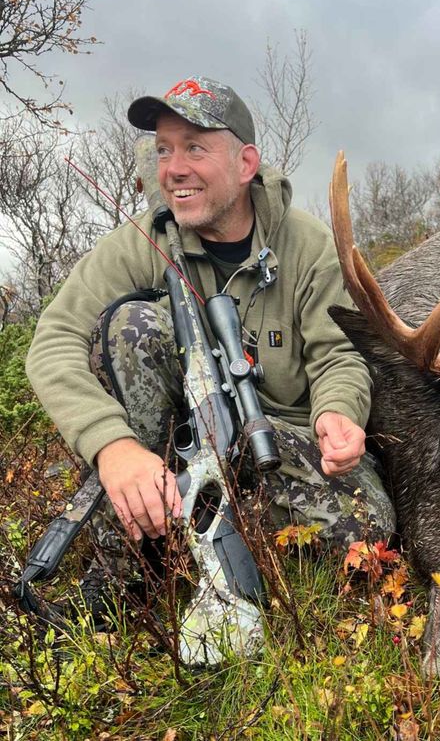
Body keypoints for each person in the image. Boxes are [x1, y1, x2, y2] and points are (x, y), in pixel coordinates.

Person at [25, 75, 396, 631]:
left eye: (195, 148)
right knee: (133, 326)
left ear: (246, 163)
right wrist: (114, 448)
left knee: (369, 530)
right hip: (178, 445)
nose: (172, 168)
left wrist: (337, 413)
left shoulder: (309, 244)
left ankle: (189, 529)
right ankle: (130, 563)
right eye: (163, 150)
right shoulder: (141, 240)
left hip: (279, 443)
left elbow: (338, 352)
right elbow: (52, 342)